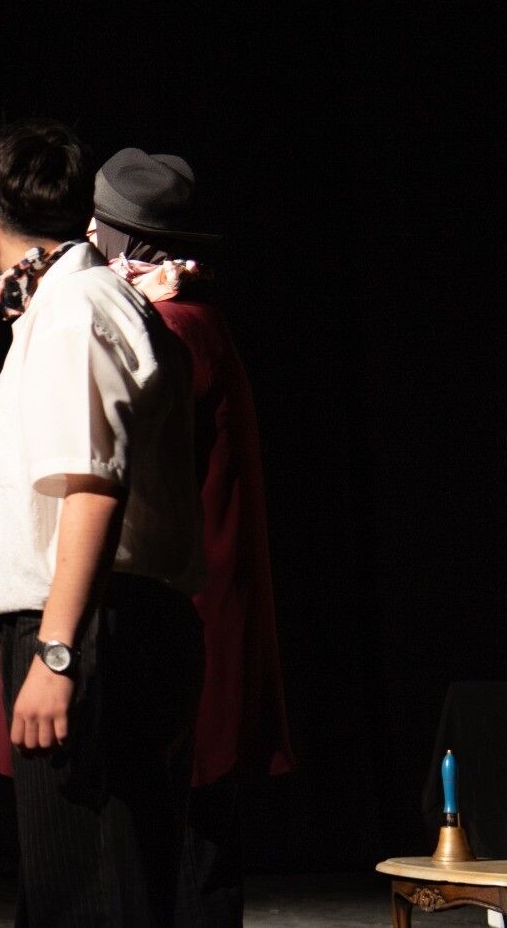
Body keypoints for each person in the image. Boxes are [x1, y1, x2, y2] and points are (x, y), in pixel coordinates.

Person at [0, 119, 206, 926]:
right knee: (77, 888)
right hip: (101, 619)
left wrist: (56, 651)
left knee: (93, 893)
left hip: (99, 629)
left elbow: (96, 491)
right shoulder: (70, 304)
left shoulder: (76, 309)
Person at [87, 149, 295, 928]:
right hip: (199, 599)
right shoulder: (190, 315)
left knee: (188, 833)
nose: (88, 239)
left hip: (186, 607)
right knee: (194, 830)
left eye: (99, 230)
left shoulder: (173, 328)